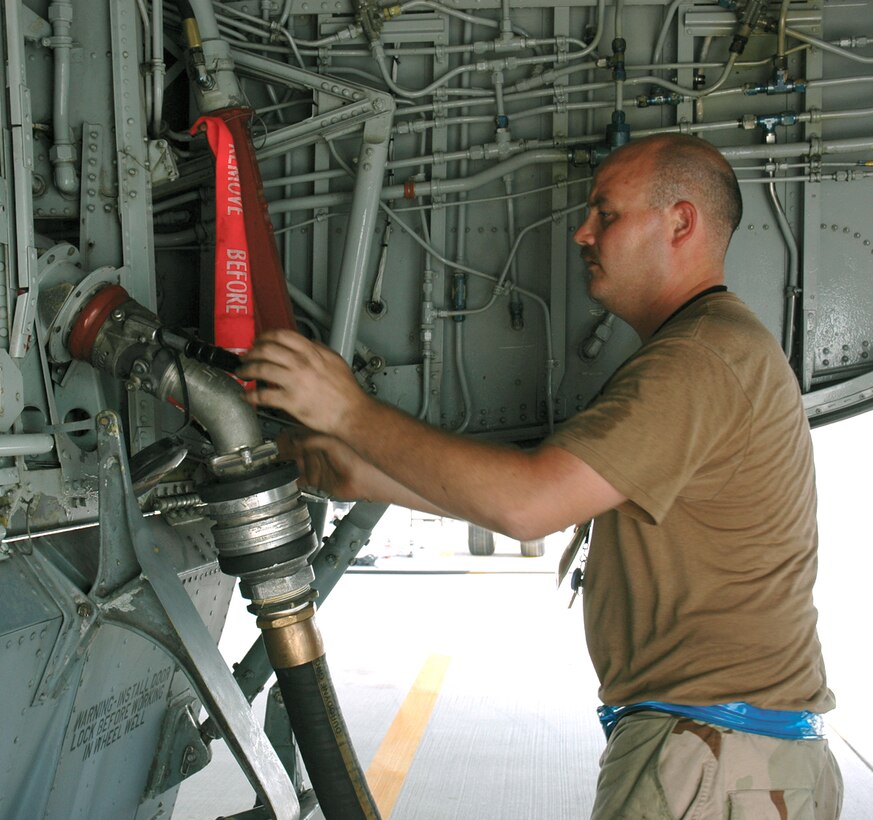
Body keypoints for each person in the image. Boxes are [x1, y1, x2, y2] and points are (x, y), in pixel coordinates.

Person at [238, 134, 842, 818]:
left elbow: (530, 503)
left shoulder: (701, 360)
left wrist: (349, 411)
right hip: (720, 755)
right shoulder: (706, 350)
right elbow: (552, 497)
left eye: (605, 214)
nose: (581, 232)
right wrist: (368, 478)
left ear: (680, 222)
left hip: (715, 761)